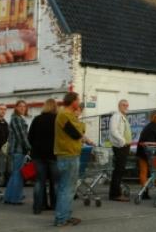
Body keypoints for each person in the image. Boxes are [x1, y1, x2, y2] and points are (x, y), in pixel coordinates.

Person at [54, 92, 93, 227]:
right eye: (78, 100)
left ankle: (64, 216)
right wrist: (80, 123)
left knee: (66, 188)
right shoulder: (65, 115)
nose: (79, 103)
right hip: (68, 155)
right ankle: (62, 218)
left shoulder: (66, 115)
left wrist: (78, 122)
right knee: (67, 189)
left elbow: (79, 131)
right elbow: (77, 133)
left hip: (69, 155)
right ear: (73, 102)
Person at [28, 99, 59, 214]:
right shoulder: (57, 120)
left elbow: (30, 137)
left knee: (39, 182)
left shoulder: (36, 119)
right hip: (53, 155)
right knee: (55, 182)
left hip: (38, 155)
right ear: (55, 107)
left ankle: (37, 207)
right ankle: (55, 206)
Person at [3, 100, 31, 205]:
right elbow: (22, 136)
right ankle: (15, 198)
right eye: (20, 106)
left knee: (15, 174)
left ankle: (9, 197)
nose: (23, 108)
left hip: (17, 150)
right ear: (16, 108)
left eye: (24, 106)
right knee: (18, 174)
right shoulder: (16, 119)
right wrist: (29, 148)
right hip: (18, 150)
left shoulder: (18, 119)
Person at [109, 99, 131, 202]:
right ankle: (115, 194)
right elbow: (114, 131)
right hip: (120, 146)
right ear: (119, 106)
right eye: (123, 105)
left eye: (127, 105)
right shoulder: (116, 116)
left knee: (120, 170)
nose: (126, 107)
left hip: (124, 146)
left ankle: (116, 192)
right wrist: (123, 141)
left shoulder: (123, 117)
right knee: (118, 170)